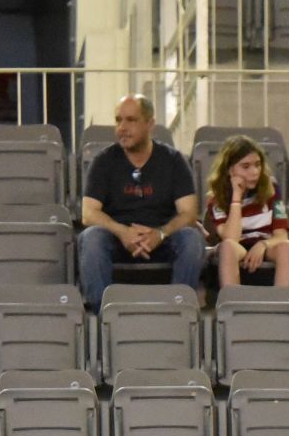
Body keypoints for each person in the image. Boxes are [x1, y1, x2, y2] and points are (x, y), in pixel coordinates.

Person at [78, 94, 205, 311]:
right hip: (117, 238)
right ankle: (103, 315)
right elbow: (89, 213)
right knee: (91, 239)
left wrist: (160, 234)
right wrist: (122, 232)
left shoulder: (173, 160)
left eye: (131, 120)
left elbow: (188, 213)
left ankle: (180, 310)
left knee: (192, 239)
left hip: (163, 237)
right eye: (118, 120)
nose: (122, 128)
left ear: (150, 124)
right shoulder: (104, 161)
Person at [202, 135, 289, 290]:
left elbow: (281, 235)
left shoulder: (272, 189)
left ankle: (282, 305)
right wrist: (236, 199)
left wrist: (262, 244)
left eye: (257, 165)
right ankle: (232, 304)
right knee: (227, 247)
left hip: (265, 245)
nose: (254, 172)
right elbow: (232, 237)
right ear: (229, 169)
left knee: (287, 247)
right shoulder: (216, 198)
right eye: (245, 166)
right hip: (237, 247)